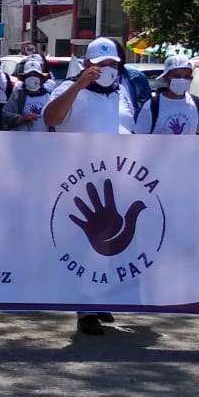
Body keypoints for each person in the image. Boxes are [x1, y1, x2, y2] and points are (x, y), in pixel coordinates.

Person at [44, 36, 129, 335]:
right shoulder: (69, 89)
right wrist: (78, 85)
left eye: (112, 64)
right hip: (78, 181)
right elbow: (50, 118)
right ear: (88, 64)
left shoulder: (121, 92)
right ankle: (86, 309)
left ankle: (100, 297)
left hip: (117, 178)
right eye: (101, 64)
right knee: (85, 244)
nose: (107, 69)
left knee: (110, 243)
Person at [134, 55, 199, 136]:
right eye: (177, 76)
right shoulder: (152, 106)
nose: (182, 80)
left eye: (186, 77)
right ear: (166, 78)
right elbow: (139, 139)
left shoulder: (196, 104)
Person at [5, 55, 54, 131]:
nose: (32, 78)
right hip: (22, 138)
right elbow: (5, 115)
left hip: (45, 138)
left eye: (35, 75)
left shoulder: (49, 95)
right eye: (29, 75)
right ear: (24, 78)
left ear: (41, 78)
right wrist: (22, 118)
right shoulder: (17, 95)